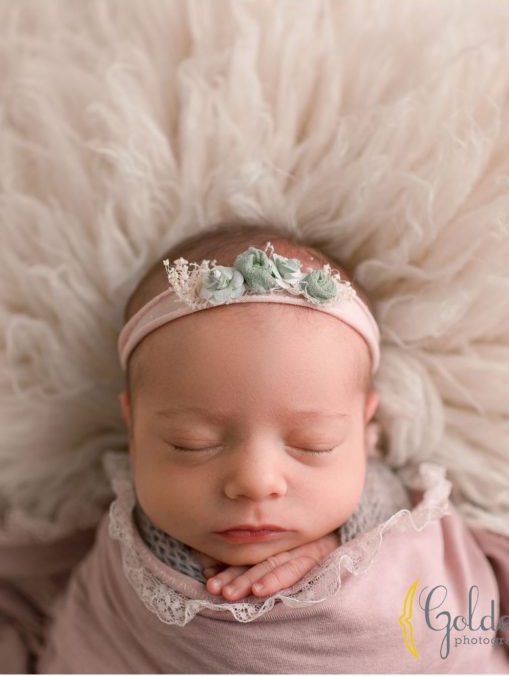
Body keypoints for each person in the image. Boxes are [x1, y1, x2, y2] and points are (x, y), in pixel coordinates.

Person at [116, 220, 412, 602]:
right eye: (192, 443)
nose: (256, 483)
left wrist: (342, 549)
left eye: (313, 444)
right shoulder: (112, 540)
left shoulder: (401, 527)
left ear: (364, 427)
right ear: (133, 431)